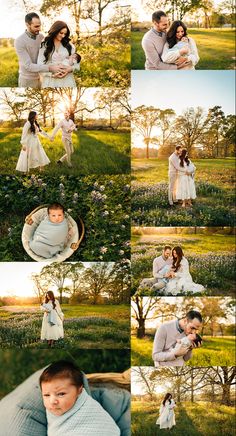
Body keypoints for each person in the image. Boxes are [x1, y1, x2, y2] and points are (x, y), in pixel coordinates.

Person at [39, 360, 121, 435]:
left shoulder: (88, 408)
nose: (52, 401)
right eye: (46, 395)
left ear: (79, 391)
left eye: (61, 394)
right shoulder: (54, 407)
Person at [14, 13, 66, 88]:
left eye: (40, 25)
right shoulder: (19, 41)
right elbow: (28, 66)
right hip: (28, 80)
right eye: (36, 26)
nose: (39, 29)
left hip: (42, 77)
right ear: (27, 25)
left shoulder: (41, 37)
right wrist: (50, 68)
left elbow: (47, 54)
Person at [37, 21, 80, 88]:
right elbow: (39, 65)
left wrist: (70, 69)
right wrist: (51, 73)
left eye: (65, 34)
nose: (63, 36)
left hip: (67, 81)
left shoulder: (70, 46)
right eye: (61, 33)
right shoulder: (44, 46)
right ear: (55, 31)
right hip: (50, 81)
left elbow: (77, 65)